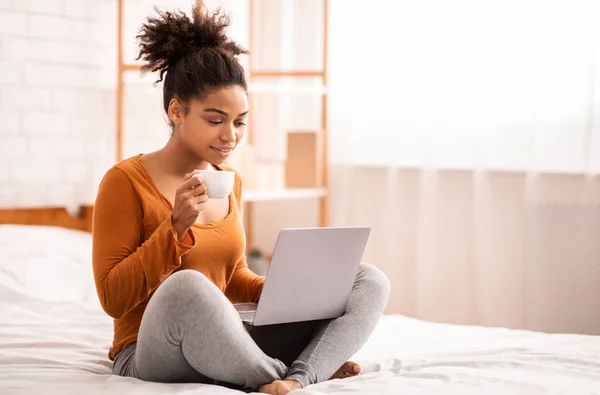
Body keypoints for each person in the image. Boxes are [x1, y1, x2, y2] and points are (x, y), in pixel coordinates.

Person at [91, 3, 390, 394]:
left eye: (240, 121)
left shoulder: (229, 180)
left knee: (368, 279)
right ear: (177, 110)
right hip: (150, 350)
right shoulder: (125, 181)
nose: (230, 135)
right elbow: (113, 299)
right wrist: (174, 227)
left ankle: (298, 378)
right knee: (188, 286)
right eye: (215, 120)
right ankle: (275, 373)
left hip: (228, 339)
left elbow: (232, 276)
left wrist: (287, 290)